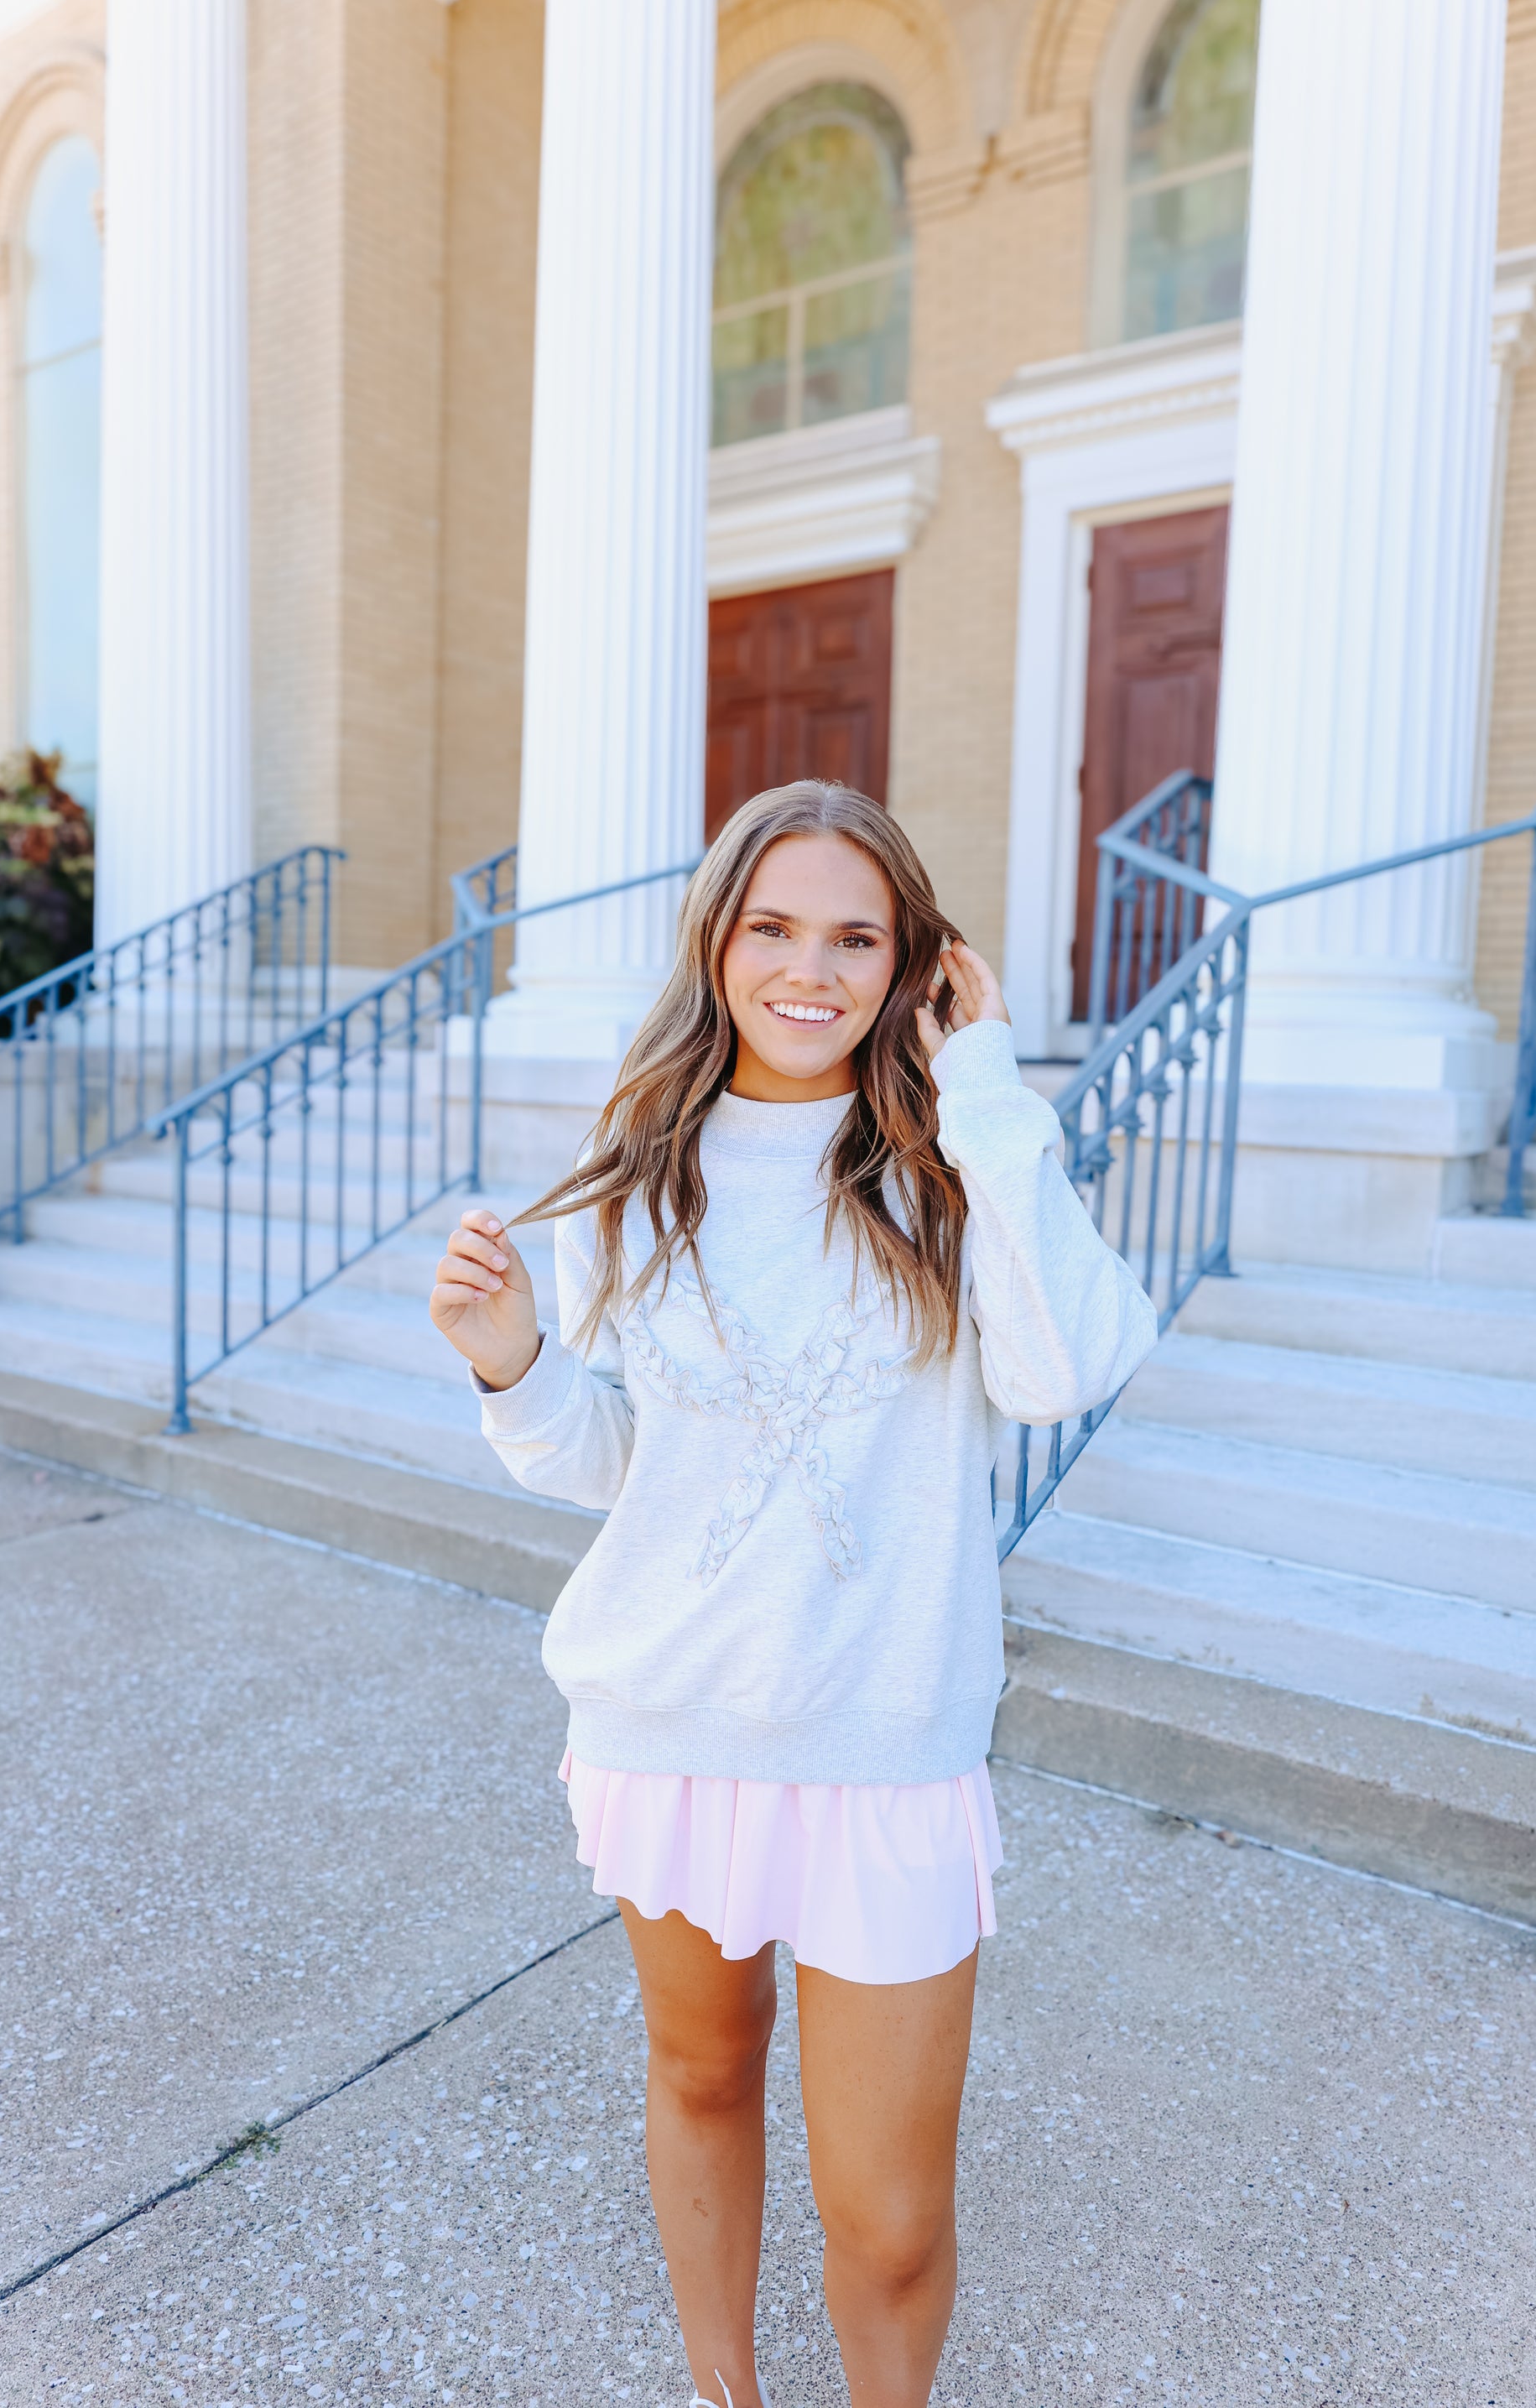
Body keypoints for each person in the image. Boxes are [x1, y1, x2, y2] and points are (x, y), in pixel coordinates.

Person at [429, 781, 1155, 2408]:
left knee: (889, 2219)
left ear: (914, 962)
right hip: (666, 1720)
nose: (808, 968)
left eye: (855, 934)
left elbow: (1063, 1370)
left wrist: (987, 1078)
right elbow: (619, 1465)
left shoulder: (956, 1166)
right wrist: (514, 1366)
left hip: (885, 1741)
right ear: (719, 941)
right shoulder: (633, 1180)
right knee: (699, 2072)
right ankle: (723, 2393)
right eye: (772, 926)